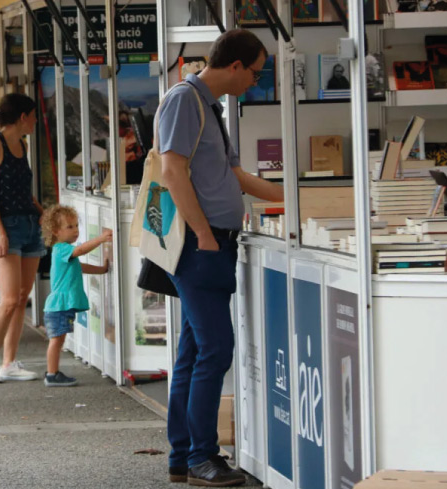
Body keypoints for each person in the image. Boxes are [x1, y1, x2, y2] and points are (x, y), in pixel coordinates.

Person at [157, 29, 283, 486]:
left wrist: (295, 199)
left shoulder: (207, 105)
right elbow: (172, 172)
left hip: (211, 243)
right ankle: (200, 457)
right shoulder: (184, 101)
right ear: (234, 65)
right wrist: (205, 234)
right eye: (254, 71)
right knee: (214, 349)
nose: (255, 79)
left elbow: (235, 175)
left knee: (195, 350)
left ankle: (183, 454)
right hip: (201, 247)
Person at [0, 93, 45, 383]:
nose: (35, 122)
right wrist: (0, 232)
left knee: (19, 298)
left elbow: (19, 185)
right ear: (22, 117)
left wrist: (37, 207)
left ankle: (9, 362)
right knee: (8, 299)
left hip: (29, 223)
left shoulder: (23, 144)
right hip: (5, 225)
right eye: (33, 116)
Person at [40, 206, 110, 387]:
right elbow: (80, 251)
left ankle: (52, 372)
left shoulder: (65, 252)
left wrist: (102, 270)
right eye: (70, 227)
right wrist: (101, 239)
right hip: (59, 306)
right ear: (56, 231)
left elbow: (80, 266)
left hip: (61, 306)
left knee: (59, 339)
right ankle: (51, 374)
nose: (76, 230)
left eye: (76, 225)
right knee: (56, 340)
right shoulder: (61, 249)